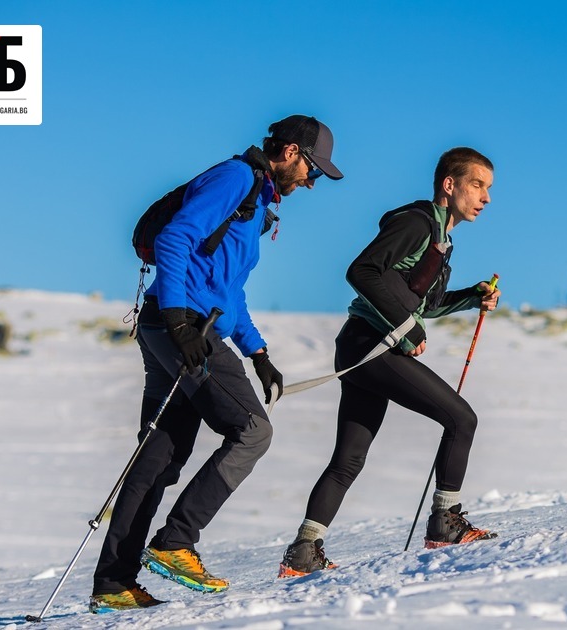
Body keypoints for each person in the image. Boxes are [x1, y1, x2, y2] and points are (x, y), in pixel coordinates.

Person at [89, 115, 344, 613]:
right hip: (181, 329)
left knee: (159, 458)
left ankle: (113, 583)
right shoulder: (237, 179)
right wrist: (182, 321)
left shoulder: (255, 201)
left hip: (172, 327)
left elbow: (231, 292)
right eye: (313, 169)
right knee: (253, 431)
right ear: (291, 152)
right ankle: (175, 543)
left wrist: (260, 353)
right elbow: (175, 239)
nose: (312, 182)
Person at [278, 147, 500, 577]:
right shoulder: (417, 223)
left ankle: (304, 551)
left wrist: (472, 296)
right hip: (371, 344)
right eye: (477, 185)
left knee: (349, 459)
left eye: (488, 189)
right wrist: (406, 328)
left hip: (364, 345)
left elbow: (427, 304)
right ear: (448, 185)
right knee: (461, 419)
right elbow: (362, 271)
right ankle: (445, 523)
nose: (486, 197)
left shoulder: (441, 239)